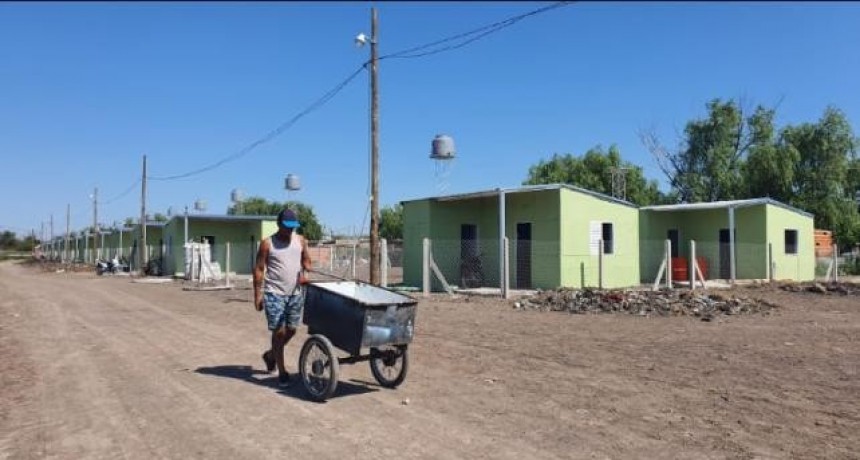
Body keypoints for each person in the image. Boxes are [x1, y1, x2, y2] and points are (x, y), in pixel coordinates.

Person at [253, 208, 312, 387]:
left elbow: (307, 261)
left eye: (293, 227)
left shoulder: (300, 241)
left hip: (295, 293)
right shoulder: (267, 244)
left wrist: (306, 273)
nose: (290, 230)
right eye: (287, 227)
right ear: (279, 224)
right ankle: (282, 371)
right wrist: (257, 295)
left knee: (292, 330)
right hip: (274, 293)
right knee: (278, 332)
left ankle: (271, 355)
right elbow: (259, 269)